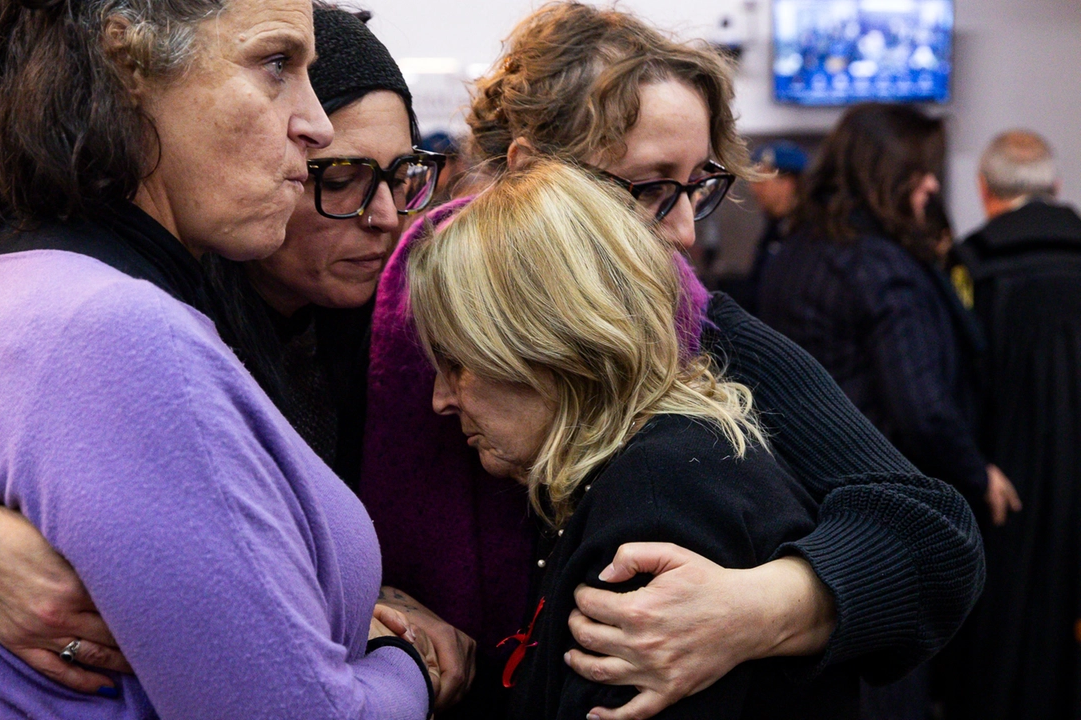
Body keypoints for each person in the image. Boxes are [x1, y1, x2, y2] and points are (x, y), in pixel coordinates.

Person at [0, 3, 465, 714]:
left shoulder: (62, 282)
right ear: (129, 68)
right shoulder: (108, 311)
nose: (385, 215)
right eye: (342, 177)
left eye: (403, 176)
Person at [362, 4, 983, 719]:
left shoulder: (698, 331)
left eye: (698, 188)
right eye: (652, 189)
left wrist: (753, 607)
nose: (686, 232)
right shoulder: (393, 295)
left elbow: (934, 536)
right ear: (534, 176)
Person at [410, 160, 859, 719]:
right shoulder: (657, 459)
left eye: (458, 363)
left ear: (549, 348)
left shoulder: (659, 491)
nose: (441, 398)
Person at [754, 103, 995, 720]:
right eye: (923, 171)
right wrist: (976, 477)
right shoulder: (882, 265)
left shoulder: (800, 247)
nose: (935, 184)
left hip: (799, 509)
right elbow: (922, 411)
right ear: (889, 172)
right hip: (878, 523)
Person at [944, 130, 1081, 720]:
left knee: (1007, 614)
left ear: (985, 189)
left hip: (1004, 473)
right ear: (1054, 186)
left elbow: (954, 377)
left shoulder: (971, 263)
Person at [724, 141, 807, 313]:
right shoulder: (775, 229)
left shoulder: (808, 235)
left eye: (762, 180)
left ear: (788, 183)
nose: (754, 188)